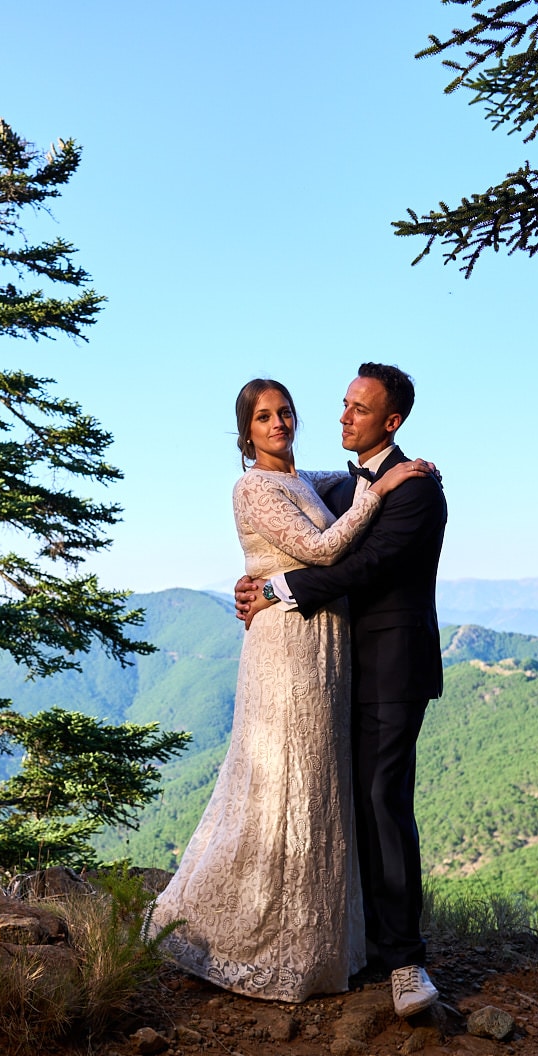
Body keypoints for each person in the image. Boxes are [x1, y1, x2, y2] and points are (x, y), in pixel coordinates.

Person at [150, 377, 431, 1003]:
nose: (279, 423)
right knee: (283, 782)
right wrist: (267, 584)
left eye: (285, 412)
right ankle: (255, 931)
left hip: (345, 655)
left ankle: (343, 944)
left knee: (328, 791)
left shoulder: (333, 483)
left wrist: (269, 583)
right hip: (288, 650)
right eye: (263, 417)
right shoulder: (255, 485)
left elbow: (345, 502)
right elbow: (321, 547)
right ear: (245, 431)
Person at [235, 362, 447, 1018]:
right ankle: (356, 942)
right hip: (332, 670)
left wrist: (275, 589)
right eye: (343, 404)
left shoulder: (413, 491)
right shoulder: (353, 481)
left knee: (384, 803)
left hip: (391, 669)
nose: (342, 416)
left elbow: (362, 563)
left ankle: (406, 962)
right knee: (345, 804)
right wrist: (253, 573)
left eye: (359, 409)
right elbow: (295, 494)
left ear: (392, 421)